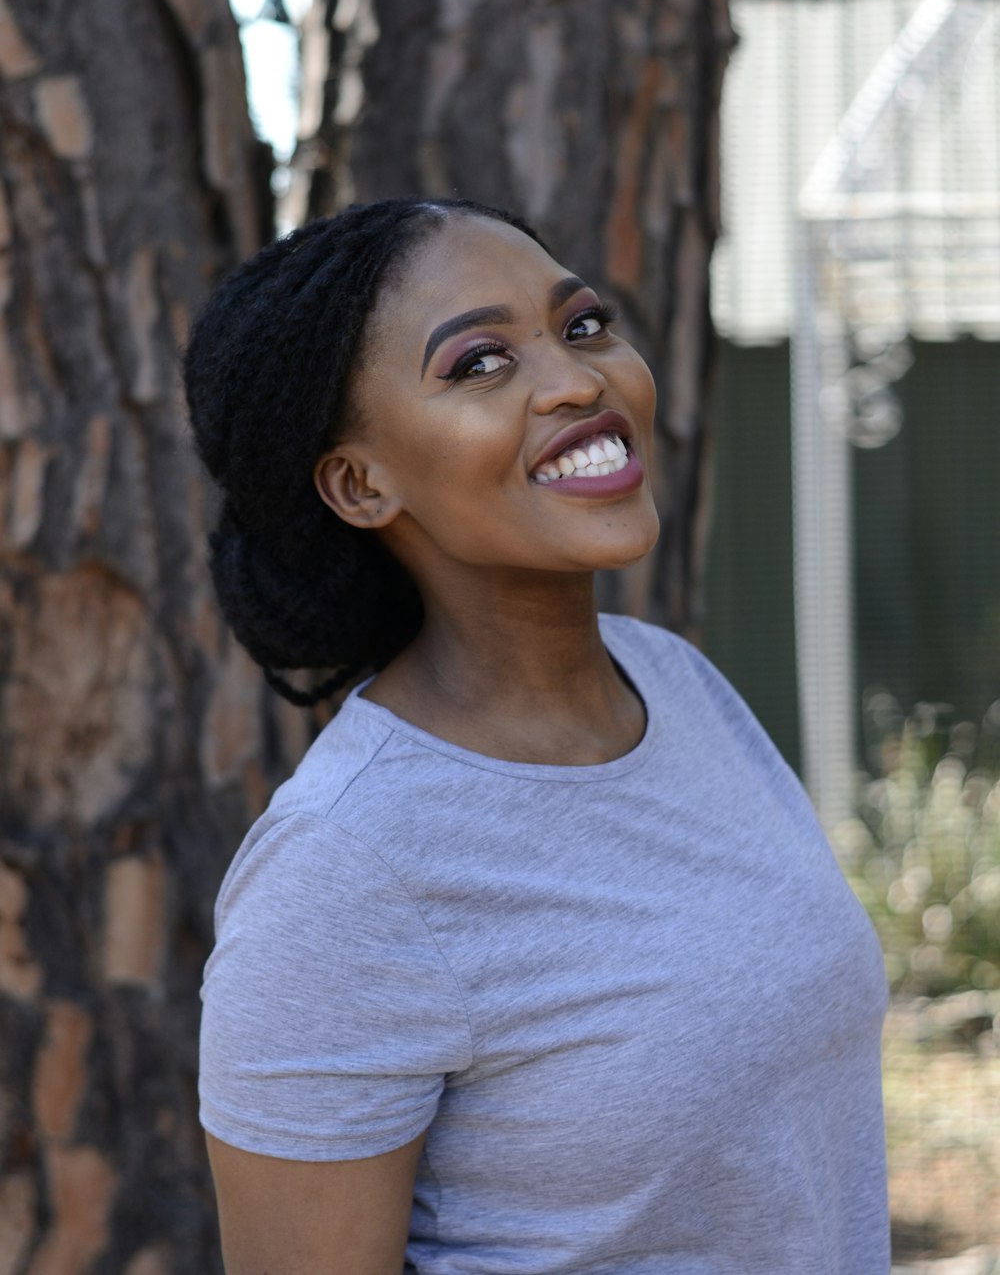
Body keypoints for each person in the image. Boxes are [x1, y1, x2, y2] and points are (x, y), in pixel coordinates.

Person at [184, 197, 890, 1275]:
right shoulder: (343, 869)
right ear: (360, 482)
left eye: (582, 325)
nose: (573, 380)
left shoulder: (674, 682)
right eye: (477, 364)